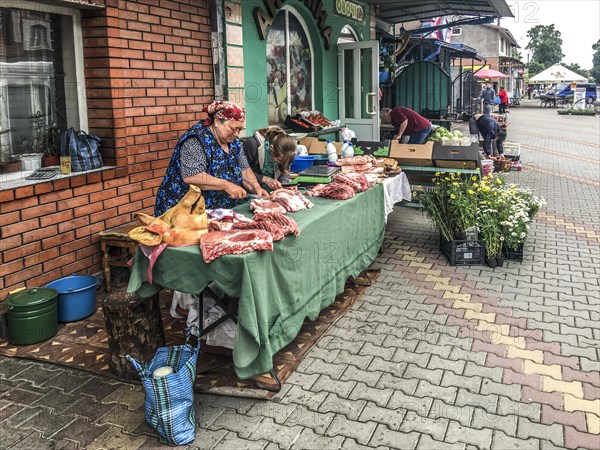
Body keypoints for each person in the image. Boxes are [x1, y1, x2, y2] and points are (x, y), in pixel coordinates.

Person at [155, 100, 269, 216]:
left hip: (217, 212)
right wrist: (226, 185)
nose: (236, 134)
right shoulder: (195, 140)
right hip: (183, 211)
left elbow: (244, 169)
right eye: (233, 128)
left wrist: (256, 187)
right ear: (217, 121)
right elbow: (192, 176)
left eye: (240, 129)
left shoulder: (234, 143)